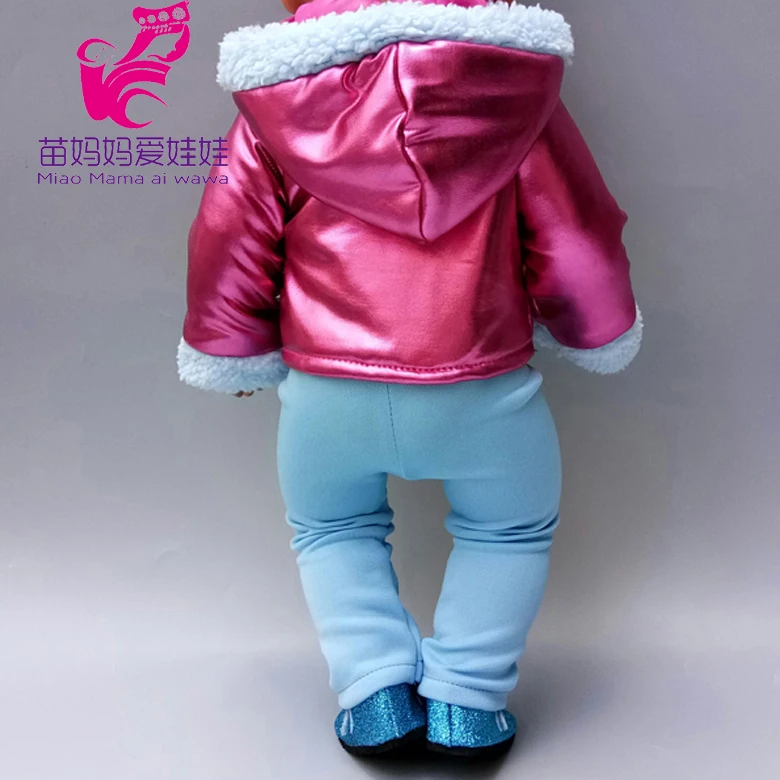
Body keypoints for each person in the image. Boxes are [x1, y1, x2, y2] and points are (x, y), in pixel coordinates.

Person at [176, 0, 643, 760]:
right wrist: (599, 328)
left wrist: (229, 346)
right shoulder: (515, 91)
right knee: (508, 530)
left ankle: (375, 696)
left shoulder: (276, 100)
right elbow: (576, 233)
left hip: (326, 389)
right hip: (481, 384)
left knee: (332, 529)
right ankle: (466, 701)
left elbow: (227, 229)